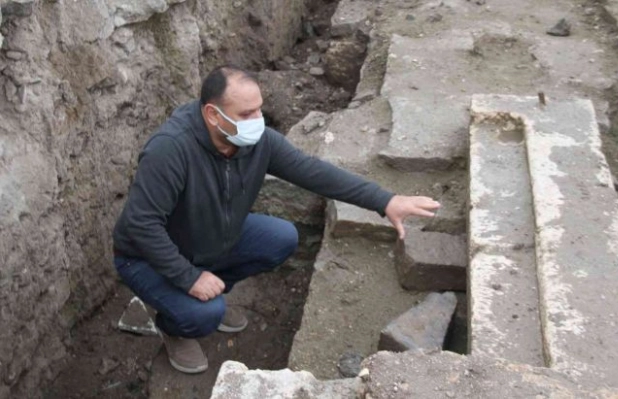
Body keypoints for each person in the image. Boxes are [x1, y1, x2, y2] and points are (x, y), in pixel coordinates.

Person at [112, 65, 440, 374]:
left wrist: (385, 201)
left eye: (259, 109)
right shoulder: (170, 150)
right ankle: (174, 328)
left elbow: (314, 172)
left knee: (281, 238)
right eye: (246, 113)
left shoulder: (256, 142)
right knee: (204, 315)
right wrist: (189, 278)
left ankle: (210, 288)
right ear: (213, 114)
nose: (258, 119)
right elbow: (141, 226)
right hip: (146, 257)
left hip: (209, 237)